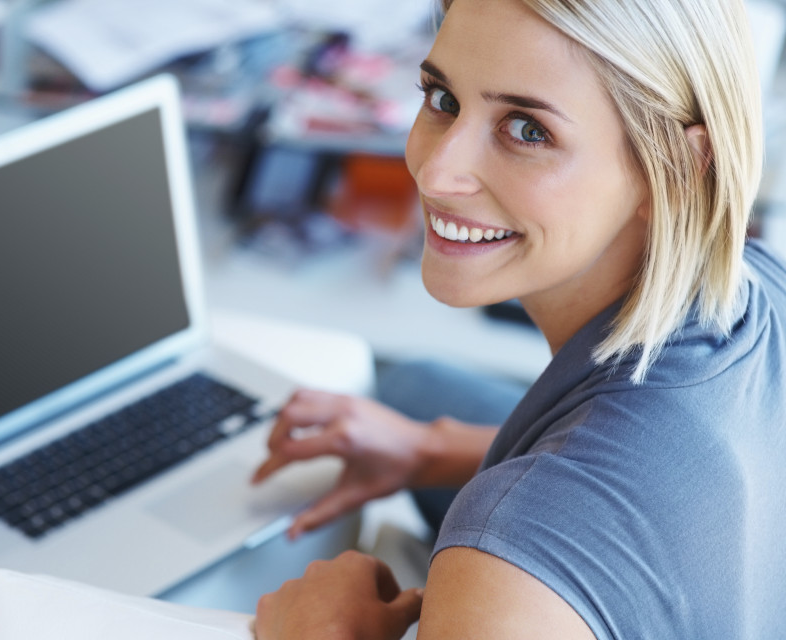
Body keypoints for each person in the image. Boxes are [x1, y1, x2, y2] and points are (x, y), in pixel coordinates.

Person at [251, 0, 786, 637]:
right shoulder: (754, 275)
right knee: (411, 385)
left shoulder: (498, 585)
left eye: (528, 130)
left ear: (674, 167)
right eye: (442, 98)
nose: (436, 171)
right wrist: (432, 450)